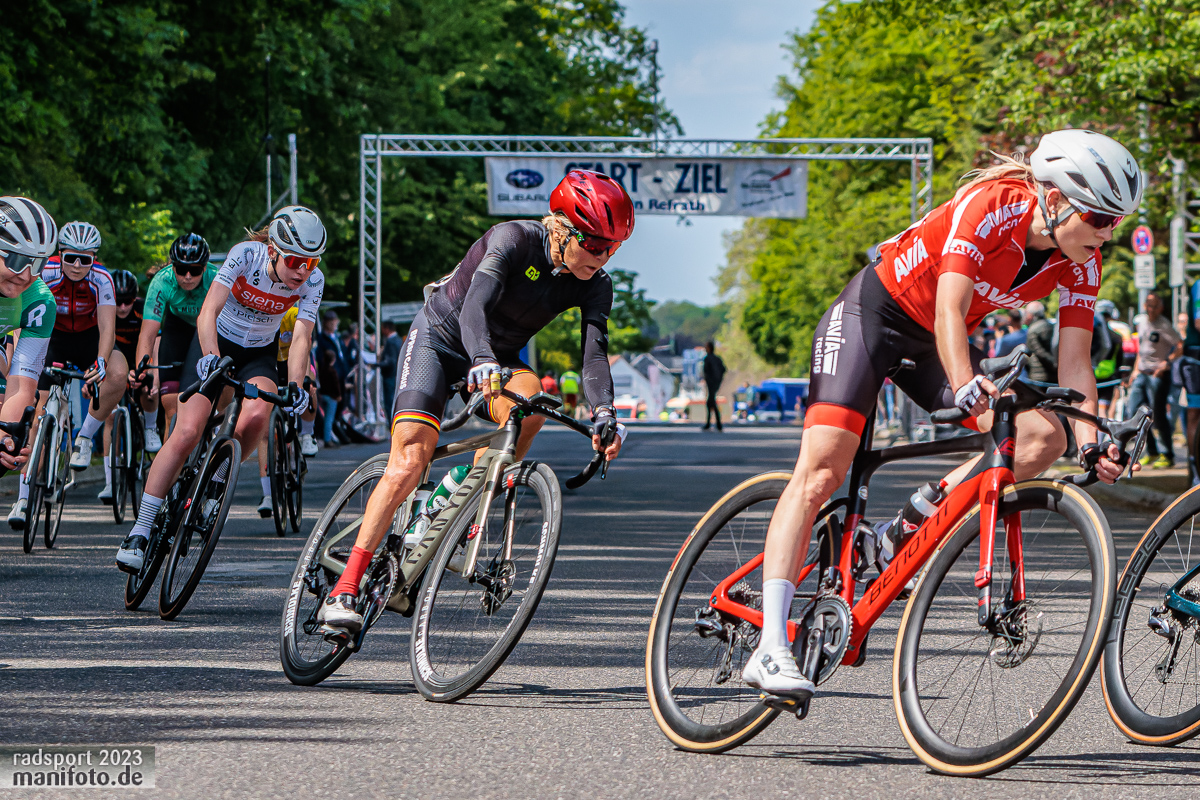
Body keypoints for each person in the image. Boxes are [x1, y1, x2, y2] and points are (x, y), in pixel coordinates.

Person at [742, 130, 1141, 703]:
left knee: (1041, 437)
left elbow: (1075, 362)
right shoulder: (993, 205)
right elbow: (949, 309)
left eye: (1117, 221)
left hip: (930, 344)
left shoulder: (1082, 262)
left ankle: (905, 527)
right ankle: (769, 647)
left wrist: (1092, 440)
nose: (1109, 233)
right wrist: (963, 384)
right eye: (1101, 218)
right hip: (873, 318)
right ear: (1054, 199)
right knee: (823, 470)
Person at [317, 169, 632, 636]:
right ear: (563, 230)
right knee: (411, 459)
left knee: (531, 409)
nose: (604, 257)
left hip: (496, 359)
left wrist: (605, 413)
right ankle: (344, 588)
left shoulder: (595, 284)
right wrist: (481, 358)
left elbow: (594, 355)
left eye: (614, 248)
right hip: (440, 341)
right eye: (597, 245)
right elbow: (474, 308)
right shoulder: (512, 239)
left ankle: (460, 495)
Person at [115, 206, 325, 573]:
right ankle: (141, 530)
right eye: (295, 261)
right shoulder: (245, 255)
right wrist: (211, 356)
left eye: (312, 262)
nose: (303, 271)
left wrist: (295, 385)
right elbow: (208, 311)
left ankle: (215, 481)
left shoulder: (313, 282)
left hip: (258, 353)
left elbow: (301, 337)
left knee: (258, 415)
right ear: (273, 250)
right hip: (217, 343)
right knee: (187, 432)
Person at [8, 221, 124, 525]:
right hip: (51, 338)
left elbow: (107, 329)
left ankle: (83, 438)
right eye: (70, 257)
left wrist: (100, 361)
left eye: (85, 260)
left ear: (94, 258)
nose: (76, 266)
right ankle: (22, 499)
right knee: (36, 414)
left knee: (118, 373)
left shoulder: (102, 279)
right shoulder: (44, 272)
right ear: (59, 254)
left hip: (88, 339)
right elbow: (23, 317)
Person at [130, 233, 216, 446]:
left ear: (205, 268)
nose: (187, 276)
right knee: (171, 408)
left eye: (195, 270)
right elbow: (148, 333)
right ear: (172, 267)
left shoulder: (216, 279)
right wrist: (142, 369)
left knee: (208, 405)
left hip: (207, 329)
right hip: (177, 330)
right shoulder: (162, 281)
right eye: (181, 269)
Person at [0, 197, 60, 478]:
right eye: (16, 260)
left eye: (37, 264)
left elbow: (21, 387)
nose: (26, 275)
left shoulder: (39, 302)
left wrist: (6, 438)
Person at [254, 305, 320, 516]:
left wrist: (305, 379)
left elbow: (304, 345)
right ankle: (267, 495)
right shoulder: (260, 314)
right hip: (270, 364)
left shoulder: (292, 314)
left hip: (295, 360)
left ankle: (307, 434)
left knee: (308, 387)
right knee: (265, 434)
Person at [98, 269, 156, 504]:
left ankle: (150, 429)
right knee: (110, 417)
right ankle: (110, 482)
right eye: (118, 301)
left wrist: (148, 372)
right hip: (115, 364)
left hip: (141, 360)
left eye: (128, 301)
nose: (122, 307)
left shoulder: (143, 309)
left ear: (135, 298)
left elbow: (154, 342)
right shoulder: (104, 310)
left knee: (149, 392)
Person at [1127, 290, 1182, 469]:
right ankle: (1152, 451)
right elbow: (1141, 349)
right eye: (1148, 305)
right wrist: (1135, 371)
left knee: (1157, 414)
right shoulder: (1142, 322)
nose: (1151, 309)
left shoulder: (1164, 325)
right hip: (1141, 373)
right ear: (1145, 306)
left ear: (1161, 308)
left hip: (1157, 375)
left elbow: (1180, 345)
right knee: (1135, 411)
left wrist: (1166, 363)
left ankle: (1167, 454)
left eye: (1155, 306)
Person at [1093, 299, 1124, 419]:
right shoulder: (1117, 336)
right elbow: (1120, 359)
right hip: (1109, 376)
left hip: (1093, 373)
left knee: (1090, 410)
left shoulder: (1093, 335)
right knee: (1103, 411)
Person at [1024, 302, 1057, 383]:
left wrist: (1054, 364)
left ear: (1030, 315)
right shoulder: (1051, 326)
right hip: (1054, 374)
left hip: (1039, 375)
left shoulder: (1033, 330)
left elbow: (1039, 351)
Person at [701, 341, 726, 431]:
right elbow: (724, 369)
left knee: (711, 401)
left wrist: (709, 378)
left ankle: (716, 423)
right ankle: (713, 423)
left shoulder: (707, 359)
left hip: (711, 383)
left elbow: (706, 371)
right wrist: (719, 378)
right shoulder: (717, 359)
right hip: (716, 382)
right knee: (710, 402)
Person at [378, 320, 401, 411]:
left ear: (387, 329)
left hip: (390, 375)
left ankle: (391, 420)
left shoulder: (390, 342)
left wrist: (377, 364)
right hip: (397, 374)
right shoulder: (399, 340)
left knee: (389, 403)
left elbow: (390, 361)